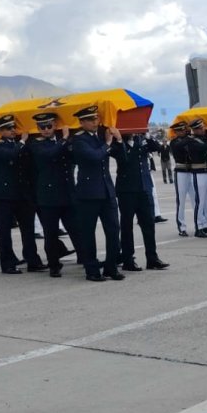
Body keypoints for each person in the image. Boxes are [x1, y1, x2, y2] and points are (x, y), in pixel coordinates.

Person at [67, 105, 125, 282]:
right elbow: (93, 157)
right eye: (91, 120)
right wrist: (108, 143)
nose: (95, 122)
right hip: (88, 193)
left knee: (114, 230)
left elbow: (122, 158)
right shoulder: (78, 140)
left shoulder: (101, 136)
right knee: (88, 233)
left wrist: (119, 140)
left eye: (96, 119)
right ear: (82, 122)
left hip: (107, 191)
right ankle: (91, 269)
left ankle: (111, 266)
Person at [23, 112, 80, 277]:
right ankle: (54, 265)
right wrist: (64, 139)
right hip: (48, 196)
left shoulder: (63, 143)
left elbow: (73, 158)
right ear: (38, 129)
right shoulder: (35, 144)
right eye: (42, 127)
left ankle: (85, 257)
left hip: (68, 193)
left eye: (49, 126)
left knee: (76, 230)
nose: (46, 130)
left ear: (55, 125)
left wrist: (69, 142)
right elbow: (49, 154)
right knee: (51, 233)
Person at [0, 114, 44, 273]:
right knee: (5, 231)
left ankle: (32, 260)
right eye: (8, 128)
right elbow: (10, 156)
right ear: (0, 131)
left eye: (14, 127)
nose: (13, 130)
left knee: (28, 230)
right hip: (5, 195)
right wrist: (22, 142)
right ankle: (7, 263)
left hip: (22, 193)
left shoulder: (18, 145)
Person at [111, 129, 171, 270]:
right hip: (127, 190)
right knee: (127, 226)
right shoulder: (118, 143)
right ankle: (128, 260)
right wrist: (120, 139)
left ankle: (152, 258)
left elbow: (157, 148)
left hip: (144, 187)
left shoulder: (141, 139)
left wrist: (146, 134)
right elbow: (122, 157)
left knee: (149, 224)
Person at [187, 118, 207, 237]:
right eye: (200, 128)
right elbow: (203, 148)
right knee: (199, 202)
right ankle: (198, 227)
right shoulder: (190, 141)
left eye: (203, 127)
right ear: (194, 130)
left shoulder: (205, 139)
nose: (203, 129)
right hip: (198, 173)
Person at [169, 121, 195, 237]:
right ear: (176, 132)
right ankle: (181, 226)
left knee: (196, 200)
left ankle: (201, 224)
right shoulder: (174, 142)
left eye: (184, 129)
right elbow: (179, 146)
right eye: (181, 130)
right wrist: (191, 137)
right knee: (181, 201)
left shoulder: (189, 140)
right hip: (181, 172)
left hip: (191, 171)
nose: (183, 131)